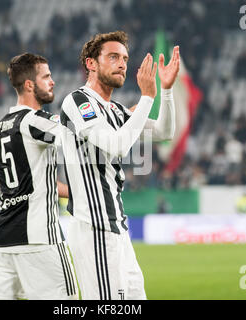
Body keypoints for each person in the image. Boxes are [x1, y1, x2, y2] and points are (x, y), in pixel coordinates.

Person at [60, 31, 180, 300]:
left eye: (125, 58)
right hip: (94, 227)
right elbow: (116, 146)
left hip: (118, 227)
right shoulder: (78, 101)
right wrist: (146, 99)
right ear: (91, 63)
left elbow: (164, 132)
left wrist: (167, 90)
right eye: (113, 57)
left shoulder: (115, 110)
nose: (122, 63)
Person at [0, 53, 77, 300]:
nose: (53, 82)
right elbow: (78, 135)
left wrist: (73, 191)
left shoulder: (2, 126)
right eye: (46, 76)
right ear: (29, 84)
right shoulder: (34, 121)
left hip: (4, 242)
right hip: (38, 239)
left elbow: (31, 182)